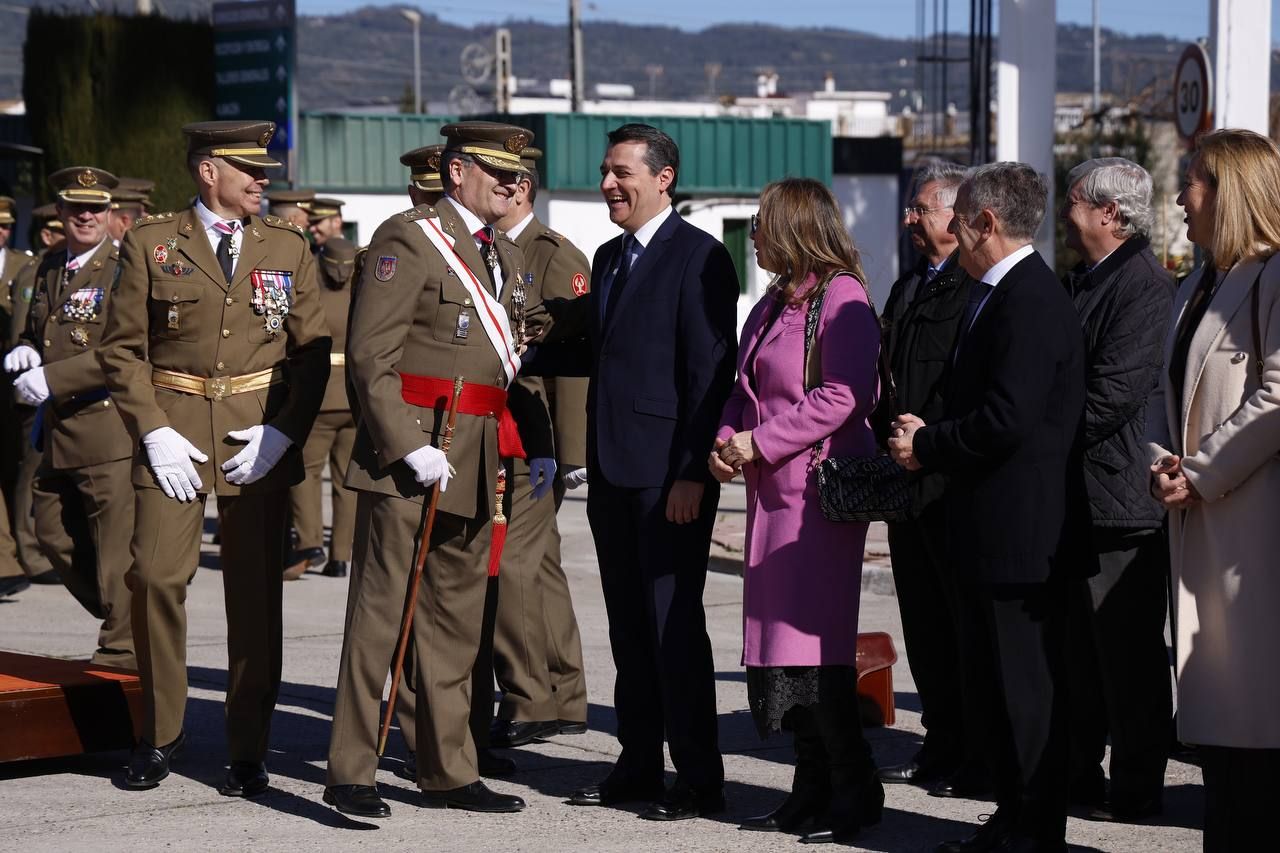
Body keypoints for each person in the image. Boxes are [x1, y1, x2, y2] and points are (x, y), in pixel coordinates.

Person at [325, 121, 551, 819]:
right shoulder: (408, 238)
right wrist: (403, 442)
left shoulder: (502, 256)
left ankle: (449, 768)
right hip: (415, 454)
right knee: (382, 616)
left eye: (519, 176)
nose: (512, 184)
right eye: (497, 171)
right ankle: (351, 767)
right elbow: (370, 356)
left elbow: (513, 345)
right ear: (457, 173)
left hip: (477, 451)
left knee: (456, 620)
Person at [97, 120, 331, 794]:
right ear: (208, 171)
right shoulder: (151, 243)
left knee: (255, 593)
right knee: (157, 579)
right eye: (249, 170)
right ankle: (159, 732)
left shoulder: (287, 245)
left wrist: (283, 431)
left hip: (256, 435)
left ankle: (248, 745)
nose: (263, 181)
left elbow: (311, 351)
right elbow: (121, 348)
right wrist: (149, 429)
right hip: (174, 432)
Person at [888, 162, 1086, 853]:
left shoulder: (1028, 297)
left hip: (1022, 537)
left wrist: (929, 443)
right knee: (996, 691)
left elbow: (1007, 416)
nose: (948, 230)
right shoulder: (991, 293)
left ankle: (1035, 830)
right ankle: (1011, 819)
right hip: (989, 528)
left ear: (986, 223)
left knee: (1026, 694)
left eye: (958, 218)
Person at [559, 123, 739, 820]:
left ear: (663, 178)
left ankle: (698, 776)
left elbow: (709, 373)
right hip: (611, 473)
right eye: (605, 171)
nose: (608, 184)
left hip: (669, 478)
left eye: (621, 172)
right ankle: (637, 765)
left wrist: (695, 470)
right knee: (629, 630)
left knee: (673, 630)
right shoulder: (608, 258)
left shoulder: (700, 258)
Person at [709, 177, 883, 843]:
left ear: (792, 225)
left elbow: (845, 395)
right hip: (771, 494)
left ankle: (852, 787)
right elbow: (742, 388)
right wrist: (727, 440)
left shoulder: (843, 297)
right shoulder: (775, 301)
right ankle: (810, 786)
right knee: (785, 650)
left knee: (818, 648)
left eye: (760, 221)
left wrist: (760, 441)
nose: (753, 233)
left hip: (816, 500)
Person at [1146, 128, 1280, 852]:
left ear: (1227, 190)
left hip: (1253, 535)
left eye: (1191, 181)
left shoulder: (1274, 275)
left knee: (1256, 724)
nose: (1178, 196)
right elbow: (1161, 395)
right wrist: (1162, 458)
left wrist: (1199, 472)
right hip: (1201, 522)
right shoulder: (1197, 285)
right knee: (1226, 738)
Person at [1059, 157, 1173, 821]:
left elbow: (1112, 397)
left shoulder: (1142, 288)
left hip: (1120, 502)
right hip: (1081, 498)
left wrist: (1036, 433)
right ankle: (1079, 775)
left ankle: (1136, 788)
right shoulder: (1087, 281)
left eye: (1074, 203)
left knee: (1126, 659)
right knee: (1079, 655)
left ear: (1109, 213)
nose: (1065, 218)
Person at [875, 162, 984, 796]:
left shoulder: (974, 288)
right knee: (924, 626)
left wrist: (930, 440)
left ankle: (974, 750)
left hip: (951, 481)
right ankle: (940, 743)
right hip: (906, 485)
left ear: (955, 214)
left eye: (921, 209)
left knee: (961, 626)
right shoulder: (910, 286)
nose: (910, 220)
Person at [2, 168, 137, 668]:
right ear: (58, 213)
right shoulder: (48, 265)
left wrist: (54, 378)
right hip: (56, 427)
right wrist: (24, 349)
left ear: (109, 215)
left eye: (96, 209)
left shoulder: (123, 268)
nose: (86, 216)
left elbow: (126, 350)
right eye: (75, 208)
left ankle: (122, 649)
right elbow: (40, 328)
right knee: (50, 532)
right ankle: (126, 612)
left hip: (106, 426)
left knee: (114, 546)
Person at [487, 145, 590, 749]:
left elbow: (573, 364)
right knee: (540, 569)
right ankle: (562, 693)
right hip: (504, 431)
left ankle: (532, 699)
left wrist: (571, 453)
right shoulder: (485, 251)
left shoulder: (553, 257)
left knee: (516, 566)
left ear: (522, 187)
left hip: (534, 439)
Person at [285, 236, 359, 580]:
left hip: (318, 395)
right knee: (346, 482)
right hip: (353, 396)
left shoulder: (311, 287)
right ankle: (340, 556)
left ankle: (310, 542)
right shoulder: (361, 290)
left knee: (306, 473)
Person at [0, 195, 37, 598]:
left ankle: (21, 550)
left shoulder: (24, 266)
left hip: (15, 386)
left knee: (19, 469)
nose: (1, 231)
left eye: (6, 224)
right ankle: (6, 558)